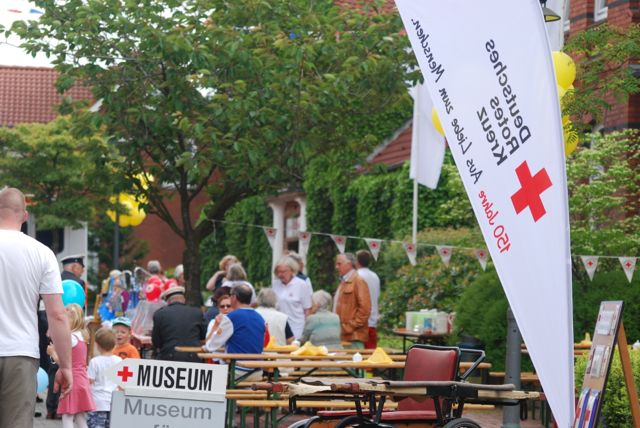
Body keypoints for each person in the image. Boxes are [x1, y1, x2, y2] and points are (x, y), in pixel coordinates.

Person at [0, 187, 72, 428]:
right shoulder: (42, 253)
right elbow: (57, 315)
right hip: (20, 352)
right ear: (25, 215)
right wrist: (65, 365)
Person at [203, 284, 265, 380]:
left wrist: (206, 346)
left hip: (238, 372)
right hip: (257, 371)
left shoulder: (231, 317)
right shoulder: (260, 318)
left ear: (234, 297)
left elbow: (212, 346)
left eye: (231, 295)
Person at [51, 303, 95, 428]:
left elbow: (63, 363)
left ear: (73, 320)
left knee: (67, 415)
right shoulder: (82, 336)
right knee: (80, 417)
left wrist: (52, 353)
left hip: (72, 380)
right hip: (82, 379)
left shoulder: (70, 338)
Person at [152, 286, 205, 362]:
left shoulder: (159, 314)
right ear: (183, 299)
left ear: (168, 301)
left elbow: (156, 342)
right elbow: (203, 336)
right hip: (193, 358)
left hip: (168, 358)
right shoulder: (197, 312)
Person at [334, 253, 371, 349]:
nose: (336, 267)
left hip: (354, 337)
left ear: (349, 264)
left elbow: (365, 310)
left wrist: (349, 327)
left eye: (339, 264)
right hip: (344, 336)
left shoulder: (358, 281)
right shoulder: (344, 281)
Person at [272, 256, 313, 339]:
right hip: (279, 327)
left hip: (296, 328)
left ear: (292, 271)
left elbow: (307, 309)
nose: (280, 275)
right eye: (278, 272)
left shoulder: (301, 284)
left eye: (283, 272)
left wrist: (306, 331)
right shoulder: (275, 284)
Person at [87, 328, 121, 428]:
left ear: (97, 345)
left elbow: (90, 381)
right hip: (113, 401)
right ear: (114, 344)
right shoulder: (119, 361)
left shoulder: (95, 361)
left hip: (97, 402)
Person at [355, 250, 381, 349]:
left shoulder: (356, 276)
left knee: (357, 353)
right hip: (372, 320)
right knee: (371, 353)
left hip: (359, 322)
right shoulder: (375, 276)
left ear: (357, 261)